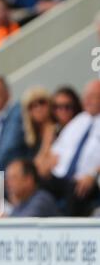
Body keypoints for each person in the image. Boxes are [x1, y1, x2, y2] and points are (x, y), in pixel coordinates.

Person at [42, 80, 100, 216]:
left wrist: (93, 174)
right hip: (61, 177)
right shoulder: (79, 120)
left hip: (86, 181)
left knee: (77, 191)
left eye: (92, 96)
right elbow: (56, 151)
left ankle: (66, 235)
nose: (86, 100)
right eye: (85, 96)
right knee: (34, 181)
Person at [21, 87, 58, 178]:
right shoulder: (31, 140)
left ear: (49, 103)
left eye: (42, 102)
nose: (38, 108)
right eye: (32, 106)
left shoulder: (59, 128)